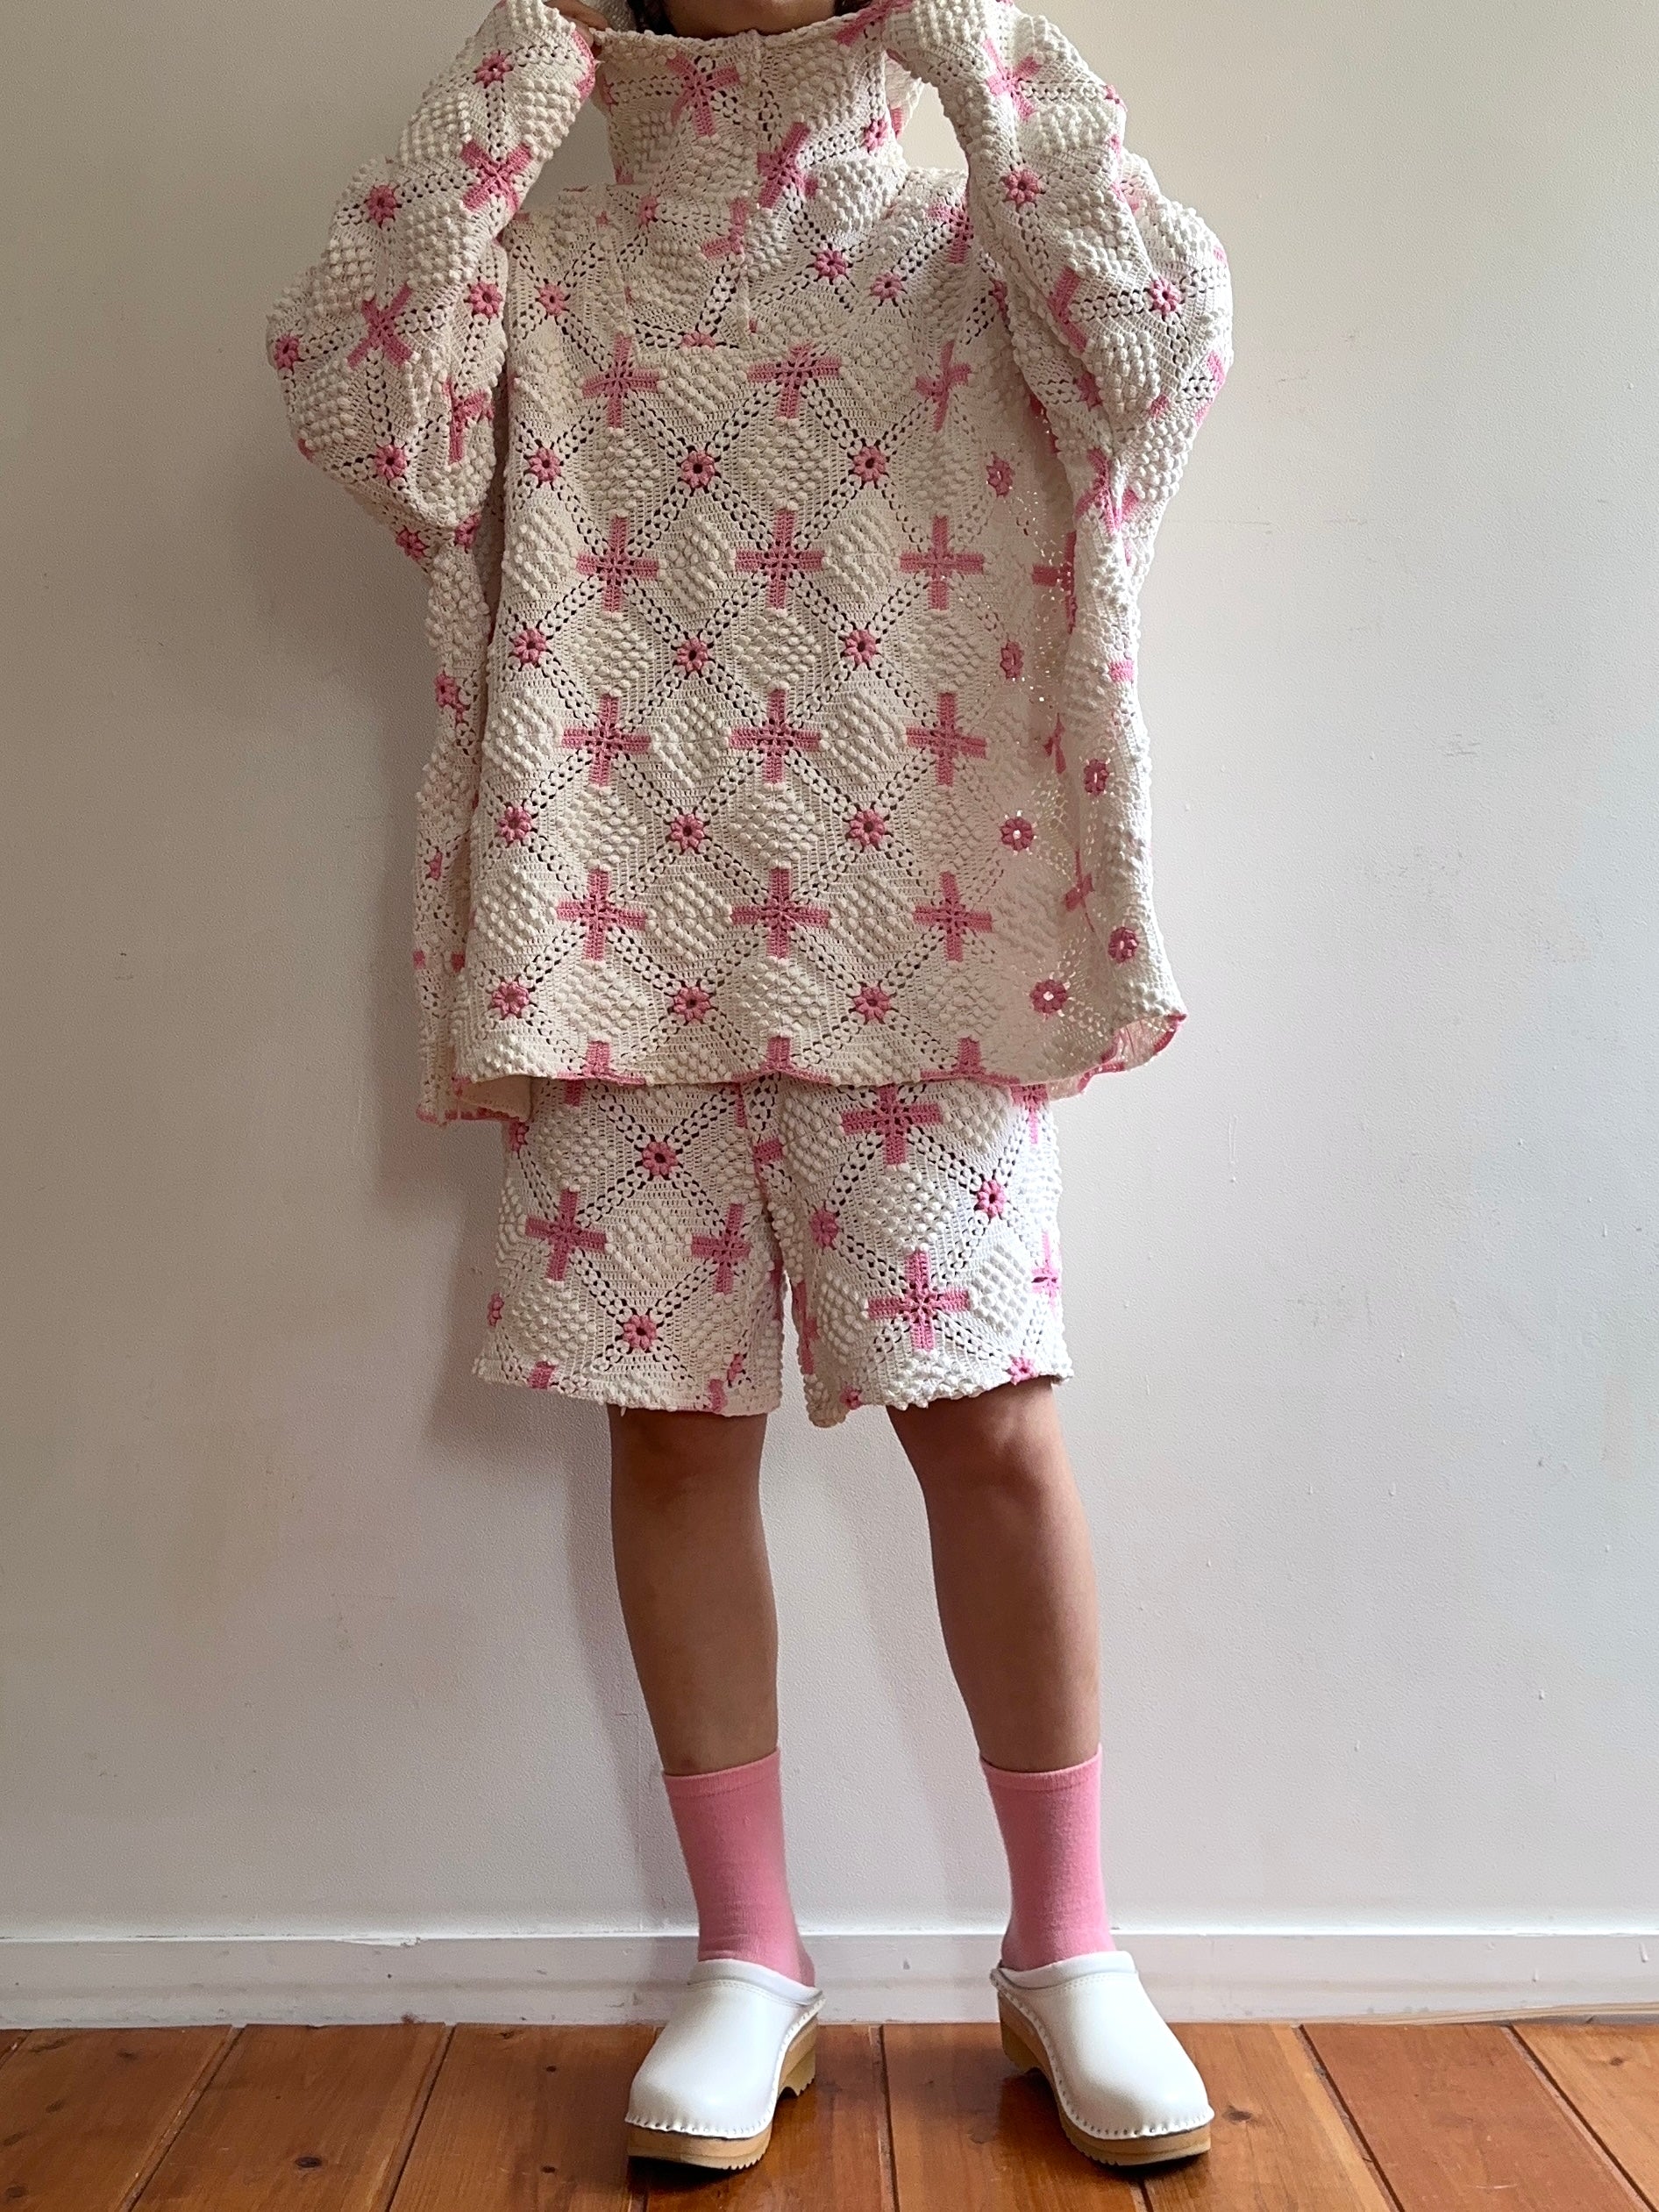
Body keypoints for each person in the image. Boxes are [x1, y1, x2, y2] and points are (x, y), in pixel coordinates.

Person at [267, 0, 1231, 2173]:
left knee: (993, 1430)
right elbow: (347, 394)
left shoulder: (974, 245)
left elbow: (1165, 347)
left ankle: (1069, 1948)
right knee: (671, 1432)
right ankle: (748, 1956)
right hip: (617, 928)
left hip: (931, 936)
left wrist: (986, 54)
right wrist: (525, 63)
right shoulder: (549, 269)